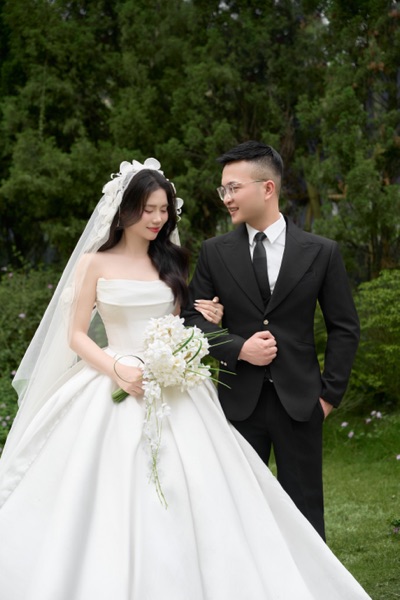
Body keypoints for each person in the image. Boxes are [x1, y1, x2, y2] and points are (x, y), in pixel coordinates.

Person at [0, 158, 370, 600]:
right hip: (112, 378)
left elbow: (183, 321)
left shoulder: (172, 261)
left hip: (176, 385)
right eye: (148, 209)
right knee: (106, 486)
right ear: (124, 210)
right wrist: (117, 368)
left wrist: (205, 318)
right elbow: (76, 335)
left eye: (164, 210)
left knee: (203, 489)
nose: (157, 219)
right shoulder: (93, 264)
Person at [181, 141, 360, 540]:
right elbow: (190, 319)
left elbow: (344, 327)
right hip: (236, 404)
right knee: (238, 511)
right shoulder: (214, 252)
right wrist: (239, 348)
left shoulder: (321, 252)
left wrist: (328, 397)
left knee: (305, 511)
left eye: (233, 188)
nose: (226, 198)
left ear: (267, 188)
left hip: (301, 403)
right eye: (223, 189)